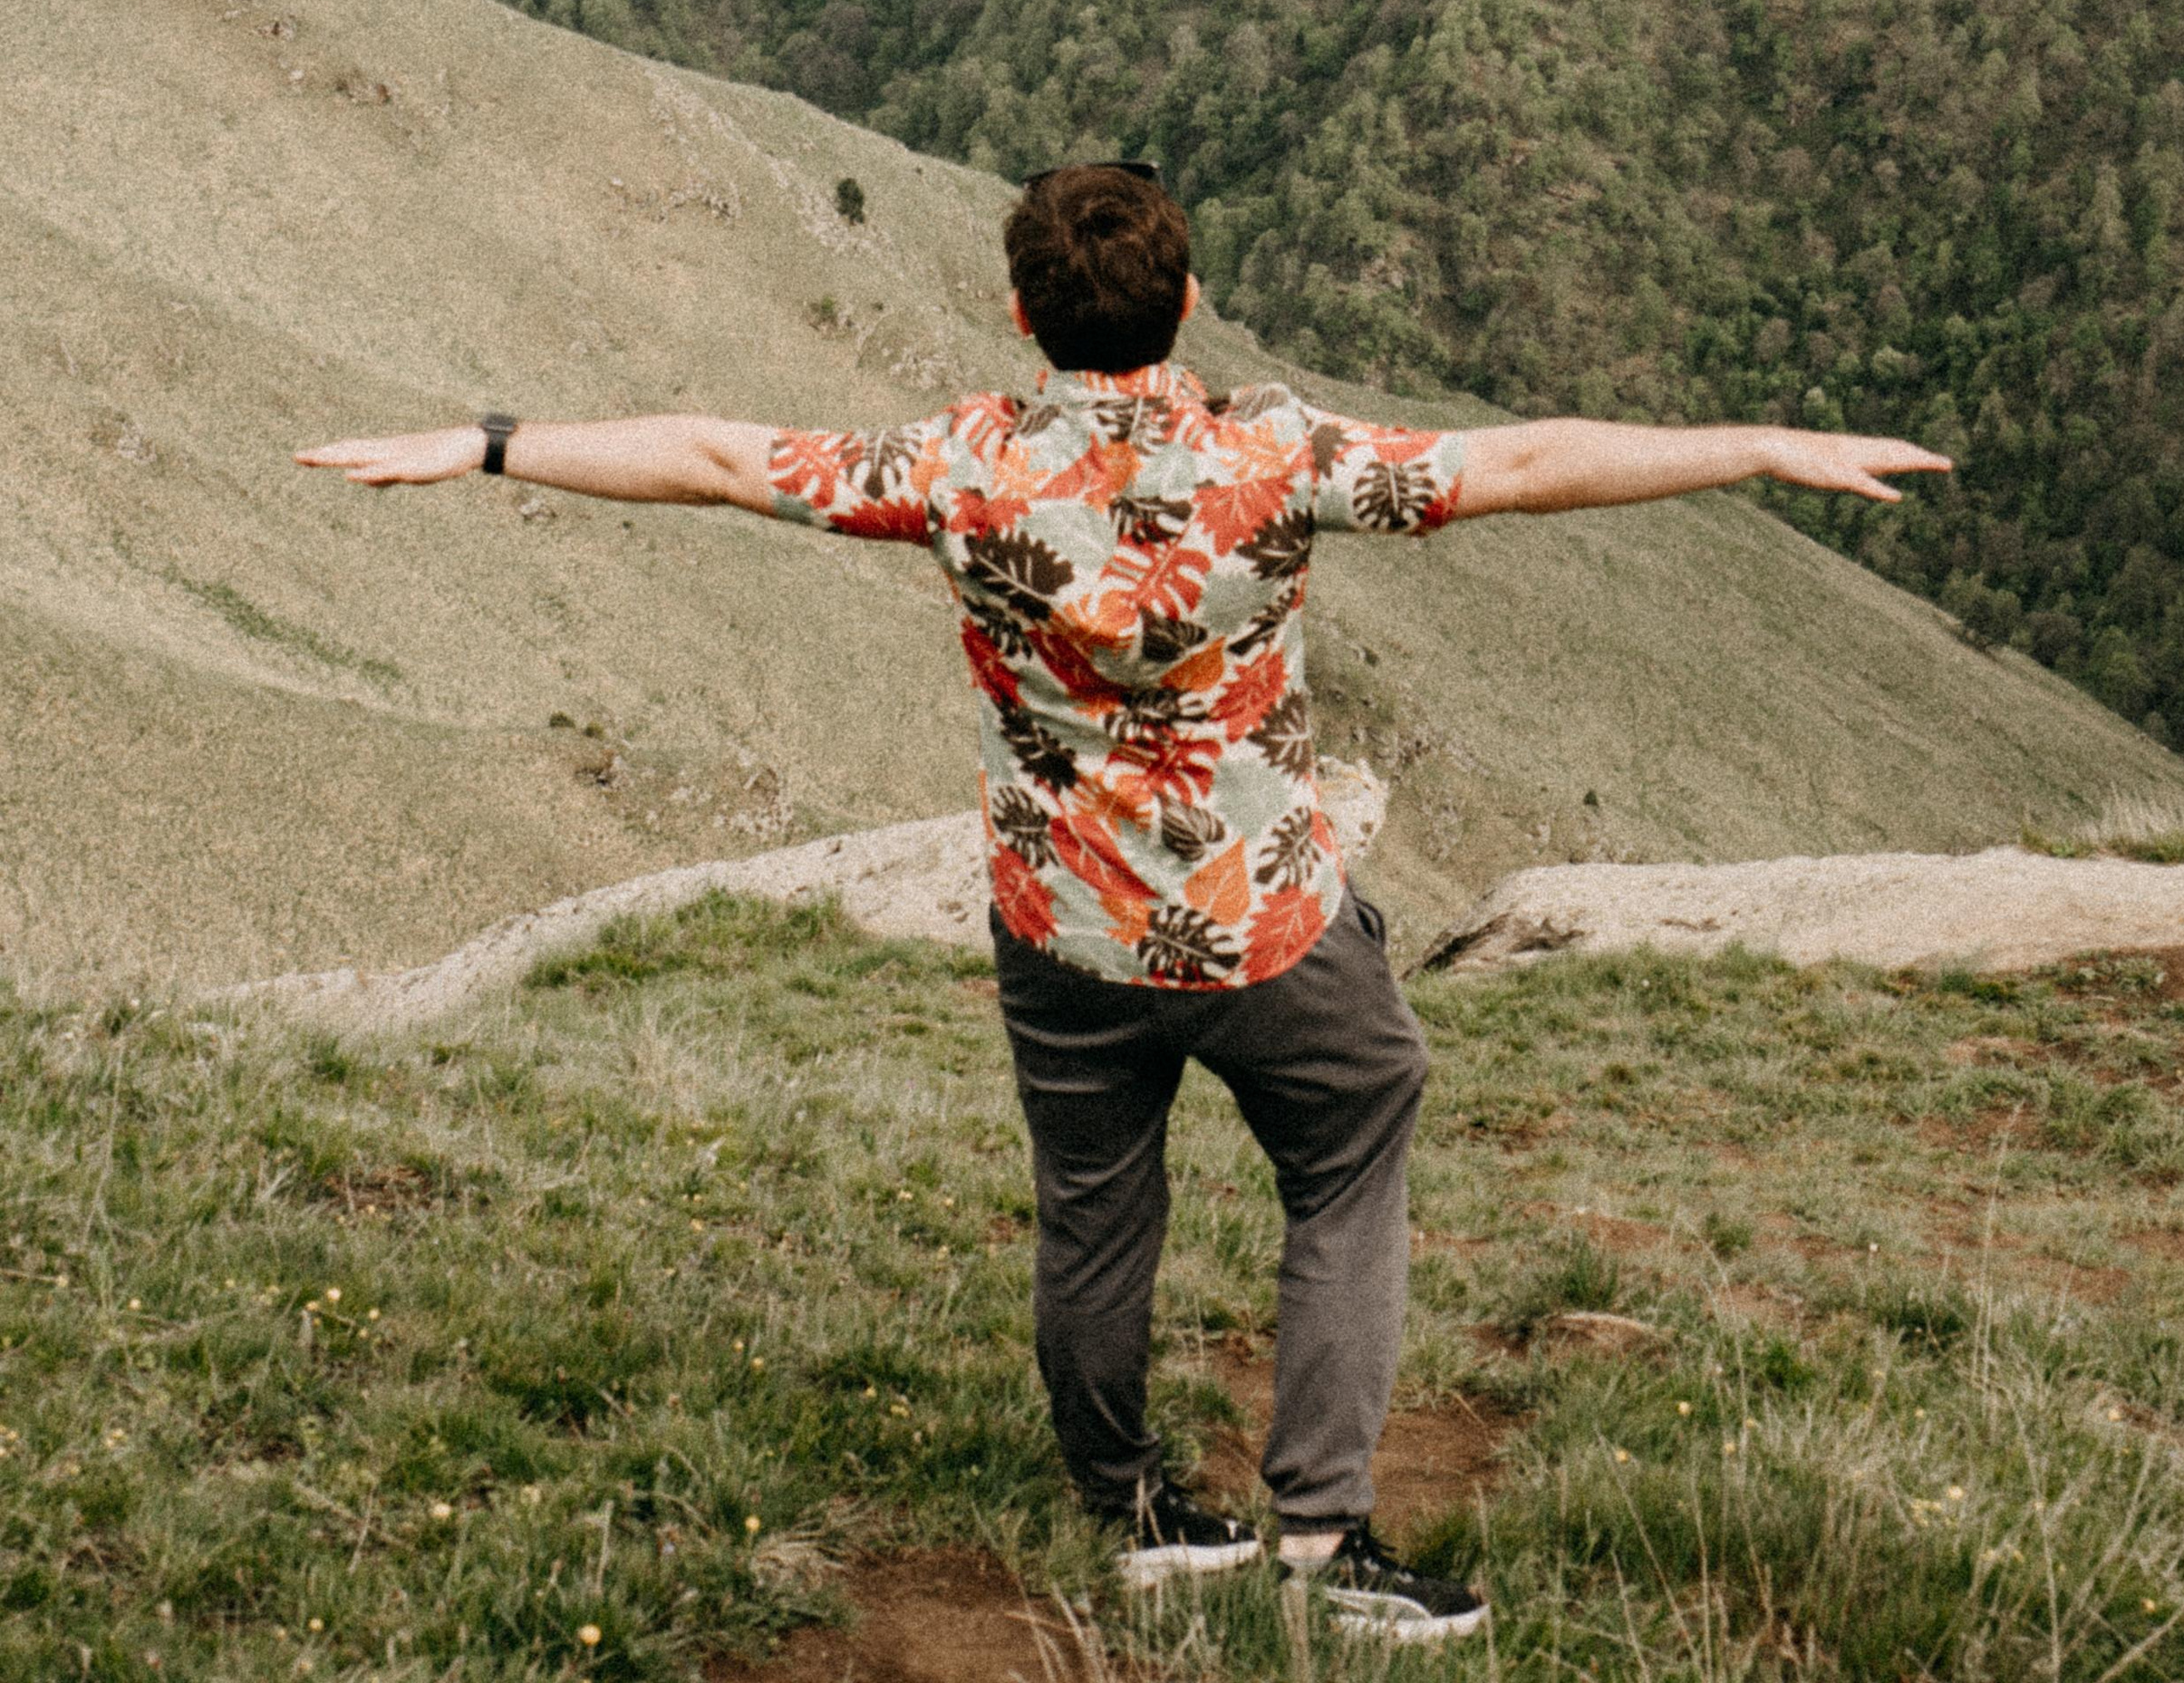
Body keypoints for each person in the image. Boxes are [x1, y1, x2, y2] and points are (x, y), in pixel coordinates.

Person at [301, 160, 1949, 1649]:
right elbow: (1515, 463)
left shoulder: (964, 469)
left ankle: (1136, 1512)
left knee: (1097, 1206)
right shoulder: (1272, 460)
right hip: (1267, 929)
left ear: (1023, 313)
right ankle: (1325, 1535)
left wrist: (495, 441)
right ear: (1192, 297)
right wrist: (1756, 447)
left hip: (1064, 932)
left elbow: (725, 456)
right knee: (1357, 1136)